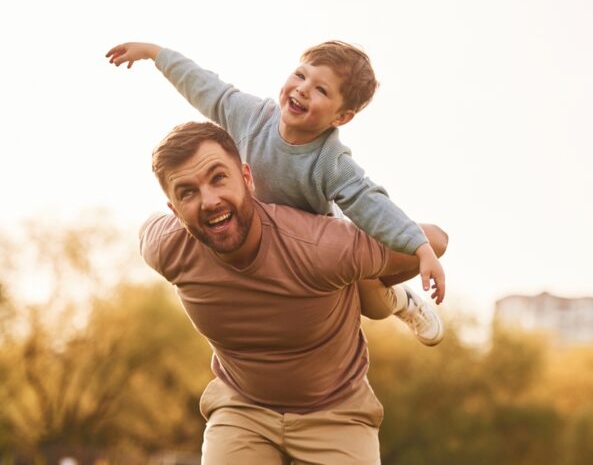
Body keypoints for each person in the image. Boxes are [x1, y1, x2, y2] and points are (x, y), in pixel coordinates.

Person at [139, 121, 448, 463]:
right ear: (174, 210)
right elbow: (146, 231)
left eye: (218, 178)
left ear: (247, 177)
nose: (209, 201)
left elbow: (436, 240)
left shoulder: (319, 246)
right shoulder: (167, 247)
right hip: (243, 410)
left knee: (372, 298)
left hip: (336, 413)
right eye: (187, 192)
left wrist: (370, 277)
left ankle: (394, 298)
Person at [107, 40, 447, 345]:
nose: (301, 90)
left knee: (372, 305)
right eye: (300, 76)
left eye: (321, 91)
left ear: (341, 117)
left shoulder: (330, 161)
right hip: (258, 237)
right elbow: (206, 87)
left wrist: (419, 248)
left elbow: (368, 201)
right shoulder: (253, 117)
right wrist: (155, 54)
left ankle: (403, 301)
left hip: (314, 247)